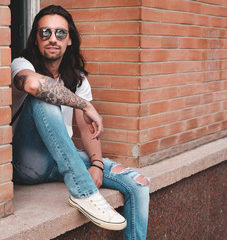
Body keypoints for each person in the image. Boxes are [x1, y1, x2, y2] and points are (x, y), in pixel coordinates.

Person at [11, 5, 150, 240]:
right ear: (36, 39)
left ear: (70, 40)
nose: (52, 39)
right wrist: (84, 104)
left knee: (138, 183)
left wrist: (96, 163)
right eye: (45, 33)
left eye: (60, 33)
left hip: (60, 160)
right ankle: (84, 193)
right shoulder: (21, 64)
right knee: (42, 98)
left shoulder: (77, 79)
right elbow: (33, 86)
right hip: (27, 162)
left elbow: (86, 131)